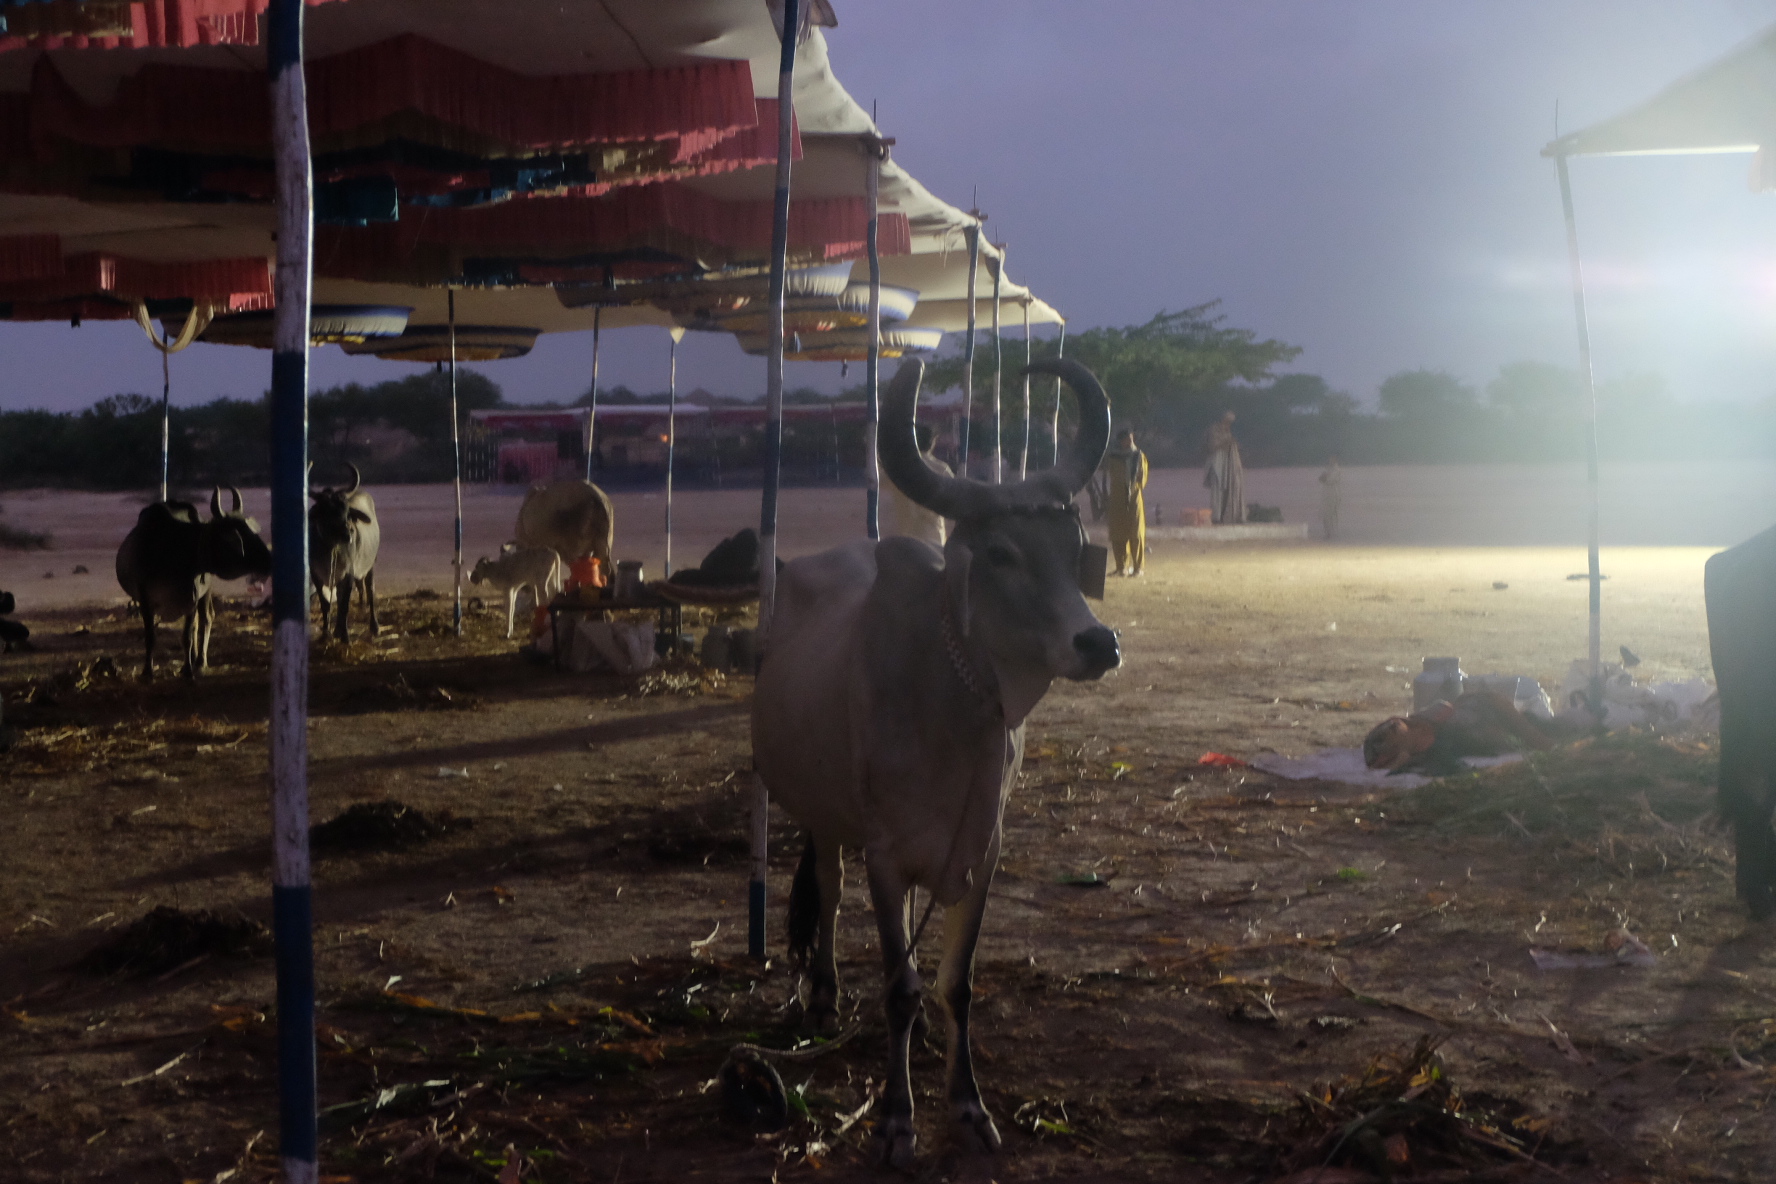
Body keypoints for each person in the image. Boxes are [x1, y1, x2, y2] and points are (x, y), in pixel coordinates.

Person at [883, 424, 953, 547]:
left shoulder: (898, 468)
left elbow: (876, 479)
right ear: (932, 442)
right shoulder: (941, 469)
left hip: (906, 538)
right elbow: (954, 499)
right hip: (935, 537)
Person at [1105, 429, 1148, 576]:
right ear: (1121, 441)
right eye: (1127, 440)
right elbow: (1112, 475)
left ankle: (1138, 568)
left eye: (1131, 439)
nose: (1130, 442)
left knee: (1136, 533)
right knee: (1118, 534)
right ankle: (1121, 567)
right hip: (1117, 499)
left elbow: (1142, 479)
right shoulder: (1113, 457)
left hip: (1134, 498)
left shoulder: (1138, 456)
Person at [1204, 410, 1245, 525]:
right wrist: (1227, 441)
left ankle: (1224, 514)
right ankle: (1215, 516)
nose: (1228, 424)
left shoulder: (1227, 431)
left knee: (1226, 489)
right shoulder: (1214, 429)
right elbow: (1212, 445)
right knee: (1217, 490)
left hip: (1225, 465)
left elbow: (1230, 444)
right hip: (1216, 463)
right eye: (1227, 421)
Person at [1319, 454, 1343, 540]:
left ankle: (1333, 533)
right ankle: (1328, 532)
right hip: (1326, 495)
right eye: (1330, 459)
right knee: (1326, 514)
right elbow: (1320, 478)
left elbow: (1328, 480)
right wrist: (1324, 478)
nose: (1330, 460)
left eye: (1332, 459)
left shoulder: (1337, 470)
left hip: (1333, 495)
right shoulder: (1327, 469)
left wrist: (1325, 478)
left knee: (1332, 514)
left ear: (1335, 460)